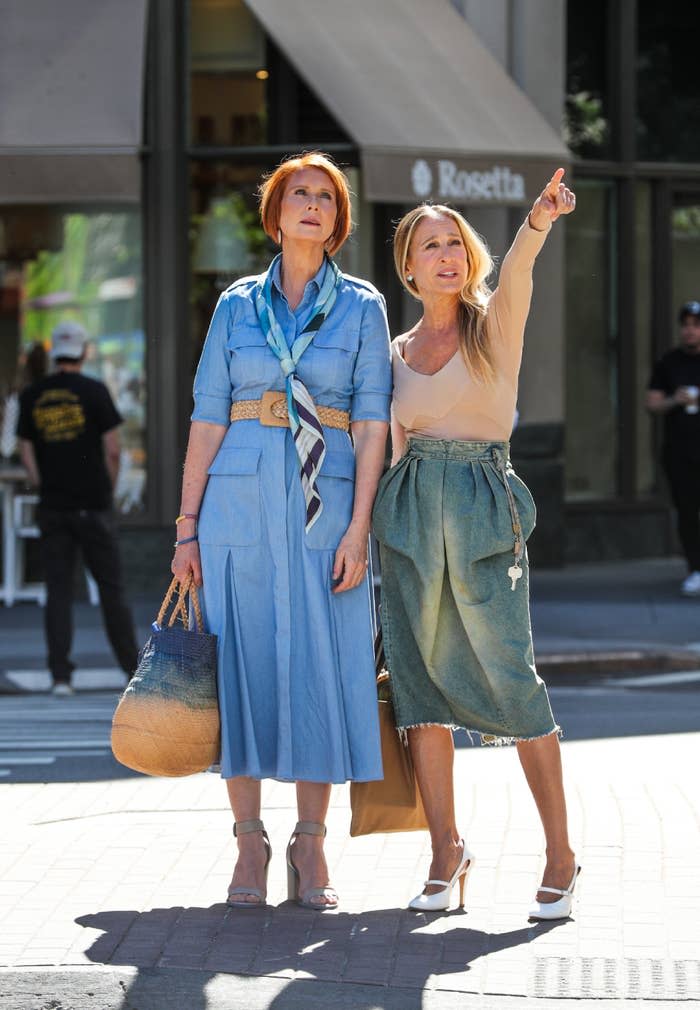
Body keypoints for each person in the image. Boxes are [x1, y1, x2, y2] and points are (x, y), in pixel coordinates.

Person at [171, 152, 391, 910]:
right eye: (298, 194)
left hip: (325, 511)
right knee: (241, 669)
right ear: (275, 212)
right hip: (236, 509)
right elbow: (205, 415)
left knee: (320, 670)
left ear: (338, 219)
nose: (311, 206)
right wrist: (185, 528)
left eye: (325, 198)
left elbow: (370, 423)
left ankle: (310, 845)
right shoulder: (236, 304)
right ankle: (247, 844)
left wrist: (360, 527)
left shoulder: (362, 306)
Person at [372, 169, 580, 921]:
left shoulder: (493, 324)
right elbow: (388, 447)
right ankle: (444, 849)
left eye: (456, 242)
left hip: (482, 506)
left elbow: (521, 266)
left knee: (510, 676)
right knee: (420, 684)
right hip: (408, 513)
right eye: (431, 245)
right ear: (409, 265)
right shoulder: (391, 351)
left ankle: (560, 854)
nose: (447, 254)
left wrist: (538, 219)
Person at [17, 321, 139, 696]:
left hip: (54, 505)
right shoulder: (95, 391)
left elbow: (25, 448)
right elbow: (114, 449)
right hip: (94, 505)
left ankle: (60, 677)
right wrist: (109, 487)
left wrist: (42, 481)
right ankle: (131, 672)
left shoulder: (33, 394)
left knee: (58, 591)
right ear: (84, 352)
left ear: (56, 354)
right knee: (111, 589)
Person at [646, 301, 700, 596]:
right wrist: (674, 401)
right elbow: (651, 403)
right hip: (680, 452)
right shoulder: (669, 363)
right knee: (688, 511)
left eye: (696, 325)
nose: (690, 331)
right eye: (686, 325)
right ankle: (695, 568)